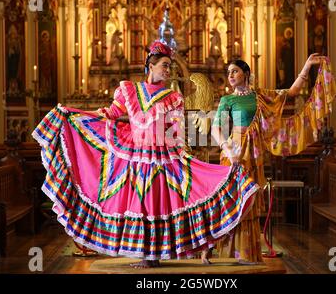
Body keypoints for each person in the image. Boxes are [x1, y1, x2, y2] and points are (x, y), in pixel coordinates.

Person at [32, 41, 260, 268]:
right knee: (139, 206)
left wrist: (183, 153)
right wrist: (75, 114)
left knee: (158, 205)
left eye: (170, 66)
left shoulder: (174, 98)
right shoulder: (129, 90)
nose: (168, 70)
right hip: (135, 155)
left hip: (162, 157)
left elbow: (176, 132)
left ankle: (153, 257)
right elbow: (110, 113)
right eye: (164, 65)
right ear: (151, 66)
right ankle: (146, 256)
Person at [209, 54, 336, 264]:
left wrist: (306, 66)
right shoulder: (227, 100)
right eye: (229, 72)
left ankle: (248, 253)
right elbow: (217, 128)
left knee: (251, 200)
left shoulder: (260, 96)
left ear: (246, 74)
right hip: (235, 153)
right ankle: (227, 252)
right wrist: (227, 149)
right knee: (234, 200)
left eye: (235, 71)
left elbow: (292, 92)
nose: (230, 75)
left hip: (255, 153)